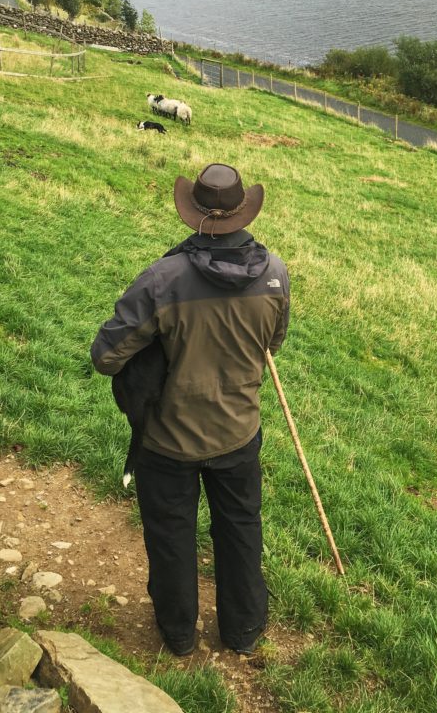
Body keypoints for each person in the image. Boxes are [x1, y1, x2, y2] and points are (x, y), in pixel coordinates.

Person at [91, 163, 290, 657]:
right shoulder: (275, 274)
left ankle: (179, 634)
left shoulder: (162, 279)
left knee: (171, 533)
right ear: (243, 211)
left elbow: (106, 356)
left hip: (167, 439)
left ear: (194, 214)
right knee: (241, 528)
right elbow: (274, 343)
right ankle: (243, 632)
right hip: (239, 431)